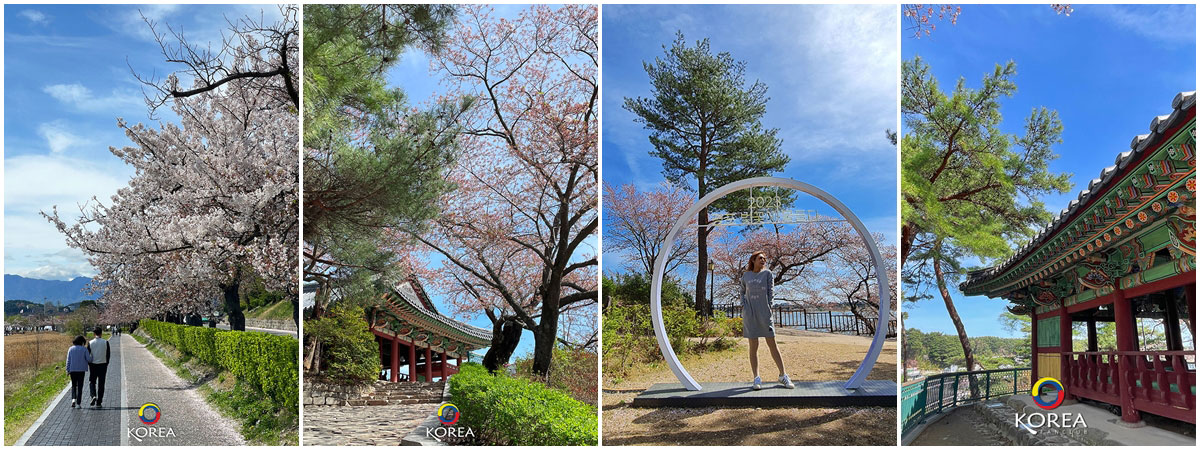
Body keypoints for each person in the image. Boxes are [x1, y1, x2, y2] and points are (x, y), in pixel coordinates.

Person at [741, 251, 794, 390]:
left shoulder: (768, 274)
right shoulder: (746, 276)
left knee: (773, 344)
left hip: (765, 315)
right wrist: (744, 306)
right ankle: (756, 378)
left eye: (764, 258)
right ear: (753, 260)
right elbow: (742, 291)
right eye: (760, 258)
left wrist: (769, 306)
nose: (763, 260)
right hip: (750, 315)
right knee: (753, 347)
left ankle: (783, 375)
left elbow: (771, 292)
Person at [65, 335, 92, 408]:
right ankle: (78, 403)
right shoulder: (84, 349)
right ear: (82, 342)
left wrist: (67, 370)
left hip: (72, 370)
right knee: (80, 386)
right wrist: (92, 357)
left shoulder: (70, 349)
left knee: (74, 385)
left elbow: (68, 360)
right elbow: (89, 359)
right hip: (81, 370)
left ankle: (73, 399)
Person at [88, 327, 111, 408]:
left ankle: (93, 395)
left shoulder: (90, 343)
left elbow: (88, 355)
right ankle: (99, 402)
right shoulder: (106, 342)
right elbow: (108, 354)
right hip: (103, 365)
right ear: (101, 333)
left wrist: (89, 364)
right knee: (101, 384)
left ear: (94, 334)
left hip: (93, 365)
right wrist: (106, 363)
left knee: (92, 381)